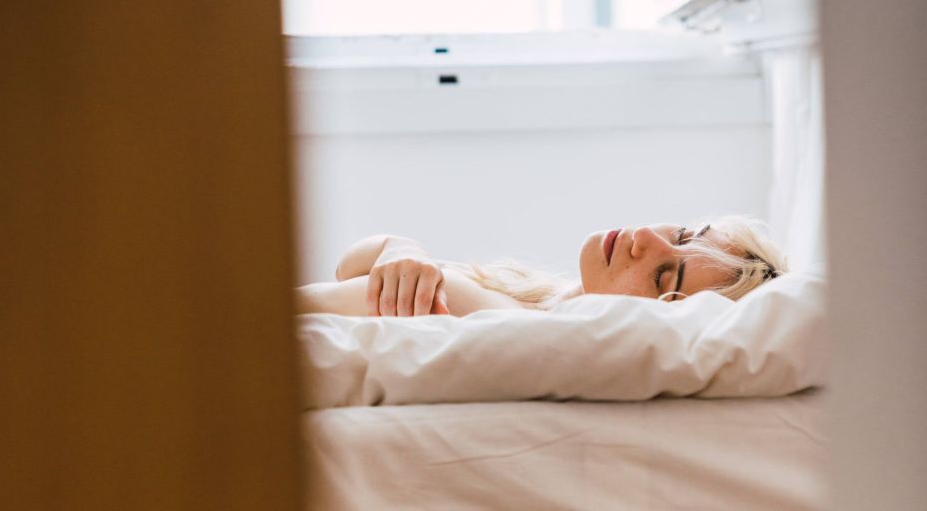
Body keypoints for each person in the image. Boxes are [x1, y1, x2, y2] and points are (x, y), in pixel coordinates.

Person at [295, 216, 788, 317]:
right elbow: (348, 268)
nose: (644, 238)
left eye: (664, 276)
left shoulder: (518, 328)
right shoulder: (524, 295)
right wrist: (401, 248)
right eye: (683, 235)